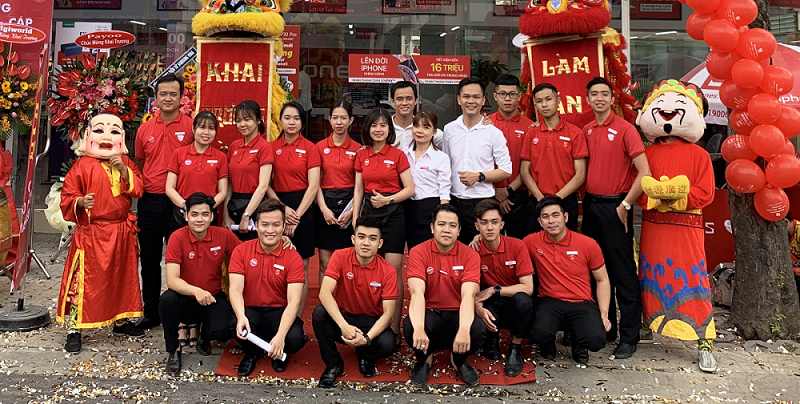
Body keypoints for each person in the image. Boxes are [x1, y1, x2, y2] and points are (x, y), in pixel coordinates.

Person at [636, 80, 717, 372]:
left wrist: (676, 199)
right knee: (649, 273)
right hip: (655, 225)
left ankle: (704, 338)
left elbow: (706, 192)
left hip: (686, 226)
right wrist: (654, 198)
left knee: (693, 278)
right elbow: (637, 188)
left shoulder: (700, 155)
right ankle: (650, 322)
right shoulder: (646, 154)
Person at [57, 114, 146, 353]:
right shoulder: (82, 166)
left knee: (121, 278)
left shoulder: (126, 162)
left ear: (123, 137)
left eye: (115, 131)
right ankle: (74, 328)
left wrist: (123, 169)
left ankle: (121, 321)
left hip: (121, 231)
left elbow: (139, 189)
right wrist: (79, 202)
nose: (107, 136)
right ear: (88, 135)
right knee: (81, 281)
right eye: (99, 131)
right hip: (91, 233)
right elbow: (67, 197)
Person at [581, 77, 651, 359]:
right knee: (597, 270)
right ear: (587, 99)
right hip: (591, 206)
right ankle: (606, 328)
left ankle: (630, 335)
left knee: (622, 273)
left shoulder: (625, 129)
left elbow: (644, 172)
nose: (599, 98)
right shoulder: (586, 130)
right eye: (594, 94)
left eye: (604, 94)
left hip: (616, 207)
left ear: (613, 99)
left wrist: (626, 204)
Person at [403, 204, 486, 387]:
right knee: (411, 325)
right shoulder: (418, 252)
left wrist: (464, 328)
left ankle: (458, 359)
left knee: (477, 329)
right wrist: (419, 328)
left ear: (459, 230)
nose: (447, 230)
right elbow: (417, 292)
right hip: (431, 314)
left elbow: (468, 295)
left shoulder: (470, 255)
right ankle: (425, 359)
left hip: (457, 313)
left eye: (452, 225)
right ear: (432, 228)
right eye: (441, 224)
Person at [134, 74, 194, 330]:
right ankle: (151, 313)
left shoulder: (191, 127)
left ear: (181, 98)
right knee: (149, 260)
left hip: (179, 204)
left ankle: (183, 315)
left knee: (182, 260)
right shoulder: (144, 129)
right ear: (155, 98)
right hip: (150, 202)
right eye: (163, 94)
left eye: (173, 94)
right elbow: (140, 163)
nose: (168, 98)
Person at [160, 193, 241, 375]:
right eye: (194, 214)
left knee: (225, 330)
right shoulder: (177, 237)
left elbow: (247, 251)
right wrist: (196, 291)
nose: (199, 219)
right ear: (186, 216)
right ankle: (174, 350)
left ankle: (205, 336)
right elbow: (172, 280)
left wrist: (278, 240)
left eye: (205, 214)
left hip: (213, 297)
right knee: (166, 301)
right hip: (185, 298)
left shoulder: (223, 235)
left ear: (211, 216)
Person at [524, 196, 612, 365]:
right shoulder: (532, 241)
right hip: (549, 300)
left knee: (596, 339)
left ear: (565, 217)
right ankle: (547, 343)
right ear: (540, 222)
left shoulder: (587, 244)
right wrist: (480, 238)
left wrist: (604, 314)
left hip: (581, 302)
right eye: (545, 217)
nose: (551, 221)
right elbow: (510, 248)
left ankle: (579, 343)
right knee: (537, 333)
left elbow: (602, 280)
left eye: (555, 215)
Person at [312, 216, 398, 387]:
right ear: (353, 239)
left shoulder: (388, 271)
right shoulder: (339, 256)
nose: (366, 243)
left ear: (380, 243)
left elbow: (389, 314)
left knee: (388, 344)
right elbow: (325, 293)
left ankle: (365, 355)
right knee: (320, 313)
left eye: (372, 238)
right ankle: (333, 364)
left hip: (370, 321)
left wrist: (367, 339)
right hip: (344, 317)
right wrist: (344, 325)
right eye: (361, 237)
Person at [353, 107, 415, 334]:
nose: (378, 130)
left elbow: (409, 189)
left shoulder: (398, 155)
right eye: (374, 125)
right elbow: (358, 190)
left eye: (383, 125)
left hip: (394, 214)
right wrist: (355, 220)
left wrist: (387, 200)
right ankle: (370, 325)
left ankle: (395, 328)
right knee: (369, 269)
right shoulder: (362, 155)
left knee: (392, 272)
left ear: (389, 129)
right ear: (367, 129)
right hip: (369, 214)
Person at [229, 199, 308, 376]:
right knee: (235, 324)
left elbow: (294, 301)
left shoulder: (293, 256)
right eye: (265, 224)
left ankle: (277, 351)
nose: (270, 230)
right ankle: (252, 353)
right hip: (252, 310)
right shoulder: (241, 251)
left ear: (283, 226)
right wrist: (241, 316)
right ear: (256, 225)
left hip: (279, 312)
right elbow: (235, 289)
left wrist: (281, 336)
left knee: (294, 338)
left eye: (276, 225)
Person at [443, 77, 512, 244]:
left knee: (483, 249)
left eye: (476, 97)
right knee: (456, 250)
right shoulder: (449, 129)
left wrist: (480, 176)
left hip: (483, 202)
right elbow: (445, 165)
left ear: (483, 100)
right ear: (459, 99)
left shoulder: (493, 132)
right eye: (466, 96)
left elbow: (506, 170)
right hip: (454, 201)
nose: (471, 101)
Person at [268, 102, 321, 312]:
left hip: (304, 207)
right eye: (287, 118)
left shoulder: (310, 148)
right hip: (277, 205)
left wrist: (296, 216)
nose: (292, 122)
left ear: (302, 122)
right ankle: (277, 313)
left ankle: (296, 317)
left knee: (302, 264)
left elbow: (313, 185)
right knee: (276, 261)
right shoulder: (271, 148)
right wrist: (282, 210)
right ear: (280, 121)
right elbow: (266, 184)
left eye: (296, 118)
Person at [472, 198, 533, 377]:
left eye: (494, 222)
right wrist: (478, 307)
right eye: (484, 223)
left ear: (502, 224)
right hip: (492, 302)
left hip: (513, 297)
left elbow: (528, 287)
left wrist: (495, 289)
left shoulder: (517, 245)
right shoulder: (473, 250)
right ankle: (492, 339)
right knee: (481, 306)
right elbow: (473, 289)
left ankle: (515, 346)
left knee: (523, 300)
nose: (489, 227)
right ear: (477, 226)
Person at [519, 83, 588, 233]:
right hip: (537, 201)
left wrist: (556, 199)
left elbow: (580, 174)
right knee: (534, 244)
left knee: (567, 244)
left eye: (548, 99)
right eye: (539, 101)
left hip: (565, 201)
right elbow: (524, 171)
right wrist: (540, 197)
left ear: (558, 101)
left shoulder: (575, 133)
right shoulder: (531, 133)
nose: (544, 104)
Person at [315, 100, 361, 287]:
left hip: (349, 205)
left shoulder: (358, 149)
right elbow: (315, 183)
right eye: (335, 118)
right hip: (325, 205)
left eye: (343, 118)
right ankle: (324, 301)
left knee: (348, 263)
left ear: (351, 120)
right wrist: (324, 209)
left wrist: (351, 212)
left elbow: (360, 186)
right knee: (324, 262)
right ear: (329, 120)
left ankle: (345, 301)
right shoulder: (319, 147)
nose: (339, 122)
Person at [488, 74, 534, 239]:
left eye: (512, 94)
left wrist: (507, 191)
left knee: (519, 242)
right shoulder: (486, 124)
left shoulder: (530, 127)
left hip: (518, 195)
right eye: (503, 94)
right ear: (495, 96)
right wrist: (497, 192)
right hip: (489, 192)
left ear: (519, 96)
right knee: (491, 241)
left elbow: (529, 165)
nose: (507, 98)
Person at [165, 111, 229, 231]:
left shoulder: (221, 157)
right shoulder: (179, 153)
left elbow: (223, 191)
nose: (206, 132)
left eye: (211, 128)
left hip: (208, 215)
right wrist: (186, 206)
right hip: (182, 213)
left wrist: (205, 209)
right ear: (193, 129)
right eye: (202, 127)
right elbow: (169, 188)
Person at [223, 100, 274, 242]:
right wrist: (226, 215)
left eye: (247, 119)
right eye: (238, 120)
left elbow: (263, 186)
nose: (242, 124)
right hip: (234, 206)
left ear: (258, 120)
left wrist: (247, 215)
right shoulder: (234, 146)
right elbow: (230, 184)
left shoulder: (264, 147)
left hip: (255, 206)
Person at [403, 110, 451, 249]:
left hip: (431, 208)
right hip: (409, 209)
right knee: (413, 252)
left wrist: (442, 217)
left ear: (434, 132)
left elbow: (445, 190)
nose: (420, 131)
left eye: (426, 127)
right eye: (416, 126)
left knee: (432, 252)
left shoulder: (441, 157)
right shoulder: (404, 154)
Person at [390, 81, 443, 150]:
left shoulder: (429, 131)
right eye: (400, 99)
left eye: (409, 98)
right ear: (393, 101)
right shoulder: (384, 127)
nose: (404, 103)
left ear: (415, 101)